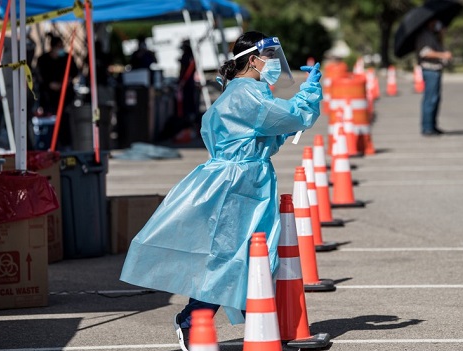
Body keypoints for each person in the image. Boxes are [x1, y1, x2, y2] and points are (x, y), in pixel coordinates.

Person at [120, 31, 322, 351]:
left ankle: (261, 320)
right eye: (268, 57)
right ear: (253, 60)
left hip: (247, 181)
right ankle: (194, 319)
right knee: (232, 259)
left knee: (248, 257)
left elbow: (270, 135)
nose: (272, 63)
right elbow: (289, 118)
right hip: (239, 184)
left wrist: (297, 107)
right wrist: (308, 95)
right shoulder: (246, 94)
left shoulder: (248, 91)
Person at [35, 33, 78, 150]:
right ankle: (51, 145)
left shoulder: (67, 58)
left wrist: (66, 82)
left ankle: (65, 145)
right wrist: (50, 84)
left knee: (65, 121)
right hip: (49, 98)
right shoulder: (43, 60)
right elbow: (40, 77)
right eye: (58, 46)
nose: (61, 49)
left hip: (65, 97)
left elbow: (74, 72)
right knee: (51, 123)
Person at [415, 18, 452, 136]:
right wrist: (443, 55)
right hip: (430, 70)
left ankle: (433, 125)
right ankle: (427, 127)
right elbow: (425, 52)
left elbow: (437, 47)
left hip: (436, 69)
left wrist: (441, 34)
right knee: (430, 99)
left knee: (435, 99)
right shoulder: (424, 35)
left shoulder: (432, 35)